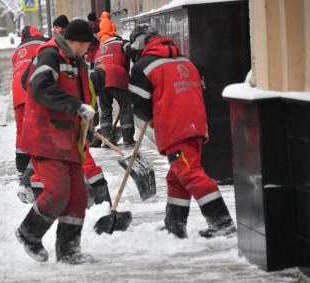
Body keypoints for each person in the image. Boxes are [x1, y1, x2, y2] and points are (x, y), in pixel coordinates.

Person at [127, 25, 236, 239]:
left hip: (175, 128)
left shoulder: (144, 66)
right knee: (177, 176)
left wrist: (152, 118)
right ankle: (175, 225)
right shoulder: (186, 61)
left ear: (139, 43)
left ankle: (222, 222)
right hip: (195, 125)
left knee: (190, 173)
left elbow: (138, 104)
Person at [16, 19, 96, 264]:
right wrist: (75, 106)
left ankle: (69, 250)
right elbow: (38, 87)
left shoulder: (75, 61)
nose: (88, 51)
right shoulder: (51, 55)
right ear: (76, 42)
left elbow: (83, 94)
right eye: (86, 46)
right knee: (59, 192)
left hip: (68, 138)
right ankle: (28, 233)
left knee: (78, 194)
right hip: (45, 137)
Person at [11, 25, 47, 176]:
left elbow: (15, 66)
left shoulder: (17, 50)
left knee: (22, 128)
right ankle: (40, 162)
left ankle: (21, 166)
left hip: (18, 88)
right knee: (41, 125)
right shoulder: (44, 44)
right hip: (35, 86)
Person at [92, 34, 136, 147]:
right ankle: (128, 139)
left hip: (101, 79)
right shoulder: (122, 43)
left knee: (105, 109)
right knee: (125, 107)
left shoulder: (100, 50)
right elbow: (132, 51)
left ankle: (106, 140)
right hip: (118, 75)